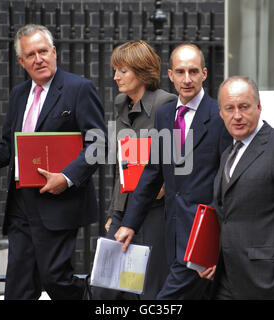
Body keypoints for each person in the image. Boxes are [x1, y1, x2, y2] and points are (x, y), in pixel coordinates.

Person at [0, 24, 107, 300]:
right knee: (18, 288)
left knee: (56, 278)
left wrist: (67, 177)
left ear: (54, 52)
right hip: (22, 205)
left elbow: (99, 144)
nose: (39, 59)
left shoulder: (78, 89)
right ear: (21, 62)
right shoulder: (18, 94)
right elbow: (8, 147)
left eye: (43, 51)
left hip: (59, 200)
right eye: (31, 54)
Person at [115, 43, 232, 300]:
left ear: (204, 73)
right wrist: (130, 223)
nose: (186, 79)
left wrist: (217, 246)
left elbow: (228, 186)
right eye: (180, 72)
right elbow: (152, 172)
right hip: (173, 232)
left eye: (193, 71)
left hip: (202, 238)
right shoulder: (165, 114)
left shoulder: (219, 116)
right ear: (170, 75)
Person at [199, 76, 274, 299]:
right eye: (230, 108)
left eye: (244, 107)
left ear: (259, 107)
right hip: (226, 282)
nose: (237, 115)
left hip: (268, 285)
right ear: (220, 113)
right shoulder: (228, 154)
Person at [91, 40, 176, 300]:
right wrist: (113, 211)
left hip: (154, 210)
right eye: (115, 70)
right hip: (124, 209)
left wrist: (163, 187)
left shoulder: (166, 103)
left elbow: (178, 158)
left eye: (123, 70)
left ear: (142, 71)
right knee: (104, 285)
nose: (115, 76)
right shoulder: (121, 104)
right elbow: (121, 164)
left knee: (146, 287)